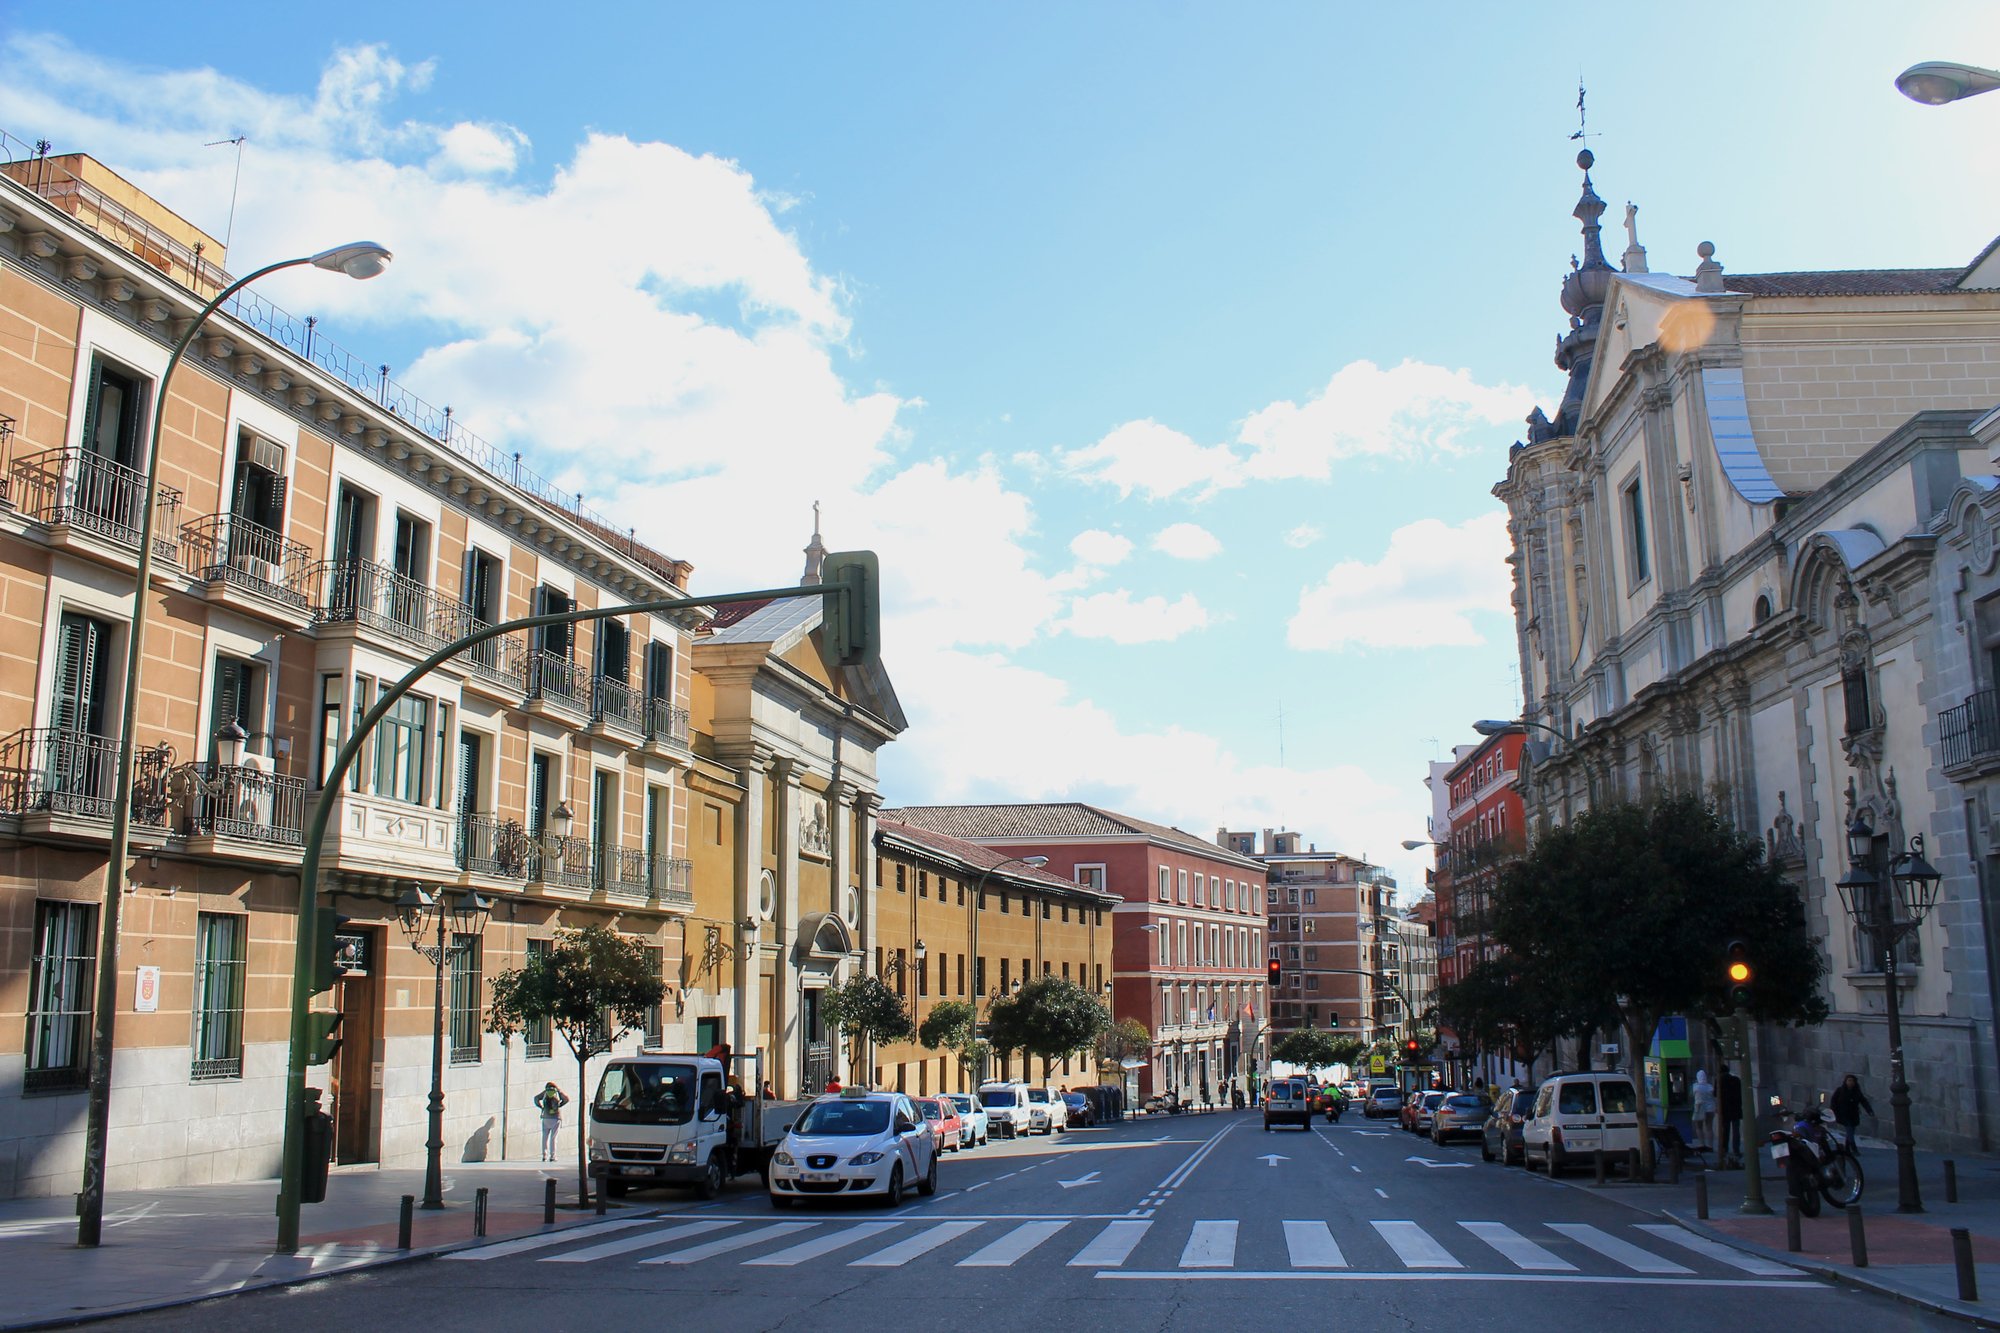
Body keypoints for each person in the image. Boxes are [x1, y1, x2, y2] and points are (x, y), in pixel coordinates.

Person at [1830, 1073, 1873, 1153]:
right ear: (1845, 1081)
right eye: (1849, 1080)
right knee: (1849, 1130)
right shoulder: (1840, 1091)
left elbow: (1863, 1101)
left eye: (1852, 1081)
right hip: (1843, 1114)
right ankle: (1854, 1148)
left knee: (1851, 1131)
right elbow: (1833, 1102)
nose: (1850, 1082)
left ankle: (1847, 1148)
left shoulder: (1857, 1092)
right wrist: (1833, 1112)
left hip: (1853, 1114)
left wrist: (1869, 1111)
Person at [534, 1081, 569, 1162]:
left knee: (544, 1137)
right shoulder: (556, 1092)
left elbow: (536, 1098)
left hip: (546, 1117)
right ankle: (553, 1156)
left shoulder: (545, 1093)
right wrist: (560, 1103)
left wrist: (541, 1107)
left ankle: (544, 1155)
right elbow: (566, 1099)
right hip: (556, 1117)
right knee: (553, 1138)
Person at [1717, 1067, 1743, 1167]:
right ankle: (1736, 1149)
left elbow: (1716, 1094)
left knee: (1725, 1130)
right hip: (1736, 1108)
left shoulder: (1719, 1081)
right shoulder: (1736, 1080)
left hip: (1725, 1109)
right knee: (1736, 1130)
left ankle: (1725, 1148)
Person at [1691, 1069, 1718, 1151]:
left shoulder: (1695, 1086)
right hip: (1710, 1108)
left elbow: (1692, 1095)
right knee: (1709, 1127)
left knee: (1699, 1127)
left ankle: (1701, 1144)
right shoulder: (1710, 1087)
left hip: (1699, 1107)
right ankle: (1710, 1146)